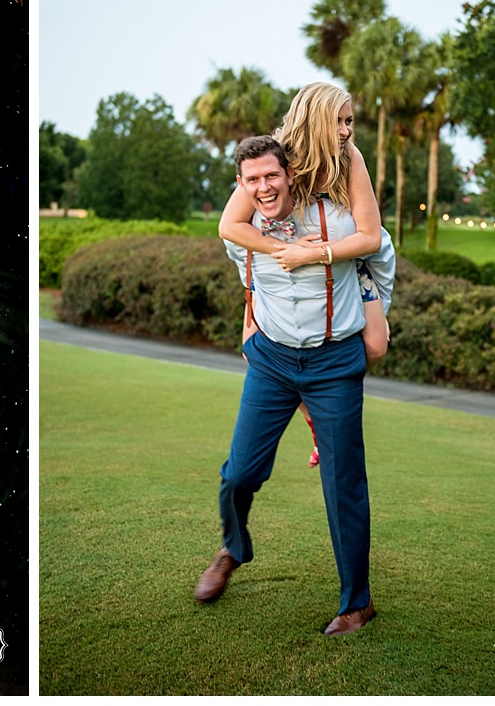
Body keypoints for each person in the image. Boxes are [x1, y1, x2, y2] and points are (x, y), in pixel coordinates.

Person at [195, 135, 393, 636]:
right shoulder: (243, 231)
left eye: (272, 176)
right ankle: (232, 549)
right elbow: (250, 284)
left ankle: (357, 603)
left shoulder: (339, 219)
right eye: (253, 180)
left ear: (290, 174)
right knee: (239, 472)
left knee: (344, 482)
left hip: (334, 363)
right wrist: (248, 334)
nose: (264, 187)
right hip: (272, 361)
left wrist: (375, 322)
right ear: (240, 185)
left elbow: (375, 252)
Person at [220, 82, 391, 467]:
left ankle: (321, 401)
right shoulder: (279, 155)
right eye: (338, 121)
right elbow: (230, 225)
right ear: (315, 119)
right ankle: (312, 419)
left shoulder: (350, 157)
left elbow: (370, 236)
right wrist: (287, 252)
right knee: (254, 350)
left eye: (349, 121)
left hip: (345, 256)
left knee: (377, 345)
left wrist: (314, 253)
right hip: (280, 256)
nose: (346, 130)